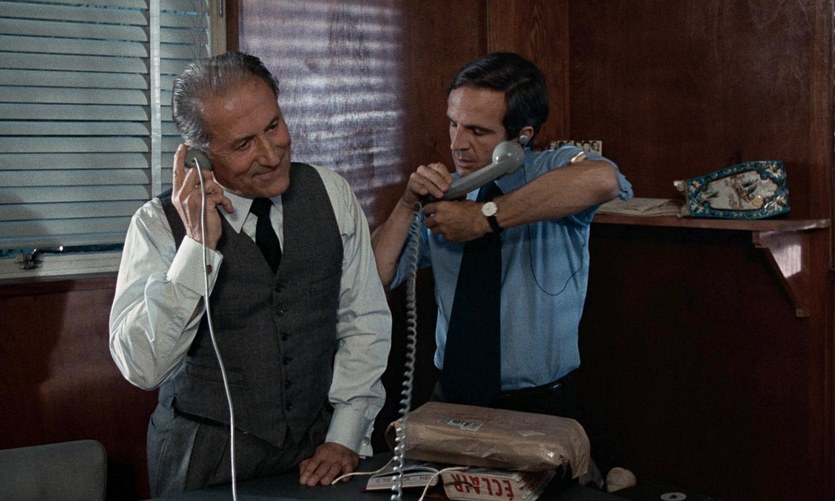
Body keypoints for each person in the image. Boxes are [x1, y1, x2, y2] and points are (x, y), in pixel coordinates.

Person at [109, 51, 391, 496]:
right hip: (205, 456)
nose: (271, 154)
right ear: (200, 157)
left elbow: (364, 322)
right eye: (243, 145)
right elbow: (142, 367)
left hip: (317, 449)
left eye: (273, 126)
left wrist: (346, 433)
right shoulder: (156, 224)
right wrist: (197, 246)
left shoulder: (332, 194)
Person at [372, 52, 633, 419]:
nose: (457, 143)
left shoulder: (551, 170)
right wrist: (406, 204)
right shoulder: (448, 191)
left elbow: (604, 180)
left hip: (536, 402)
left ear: (521, 136)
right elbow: (376, 274)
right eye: (453, 124)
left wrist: (484, 218)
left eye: (477, 131)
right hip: (453, 391)